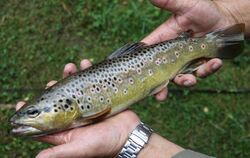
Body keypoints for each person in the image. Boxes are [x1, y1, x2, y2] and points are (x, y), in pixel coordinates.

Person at [16, 0, 250, 157]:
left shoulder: (85, 112)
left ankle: (215, 43)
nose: (28, 118)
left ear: (64, 106)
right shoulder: (73, 109)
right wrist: (228, 16)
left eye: (34, 112)